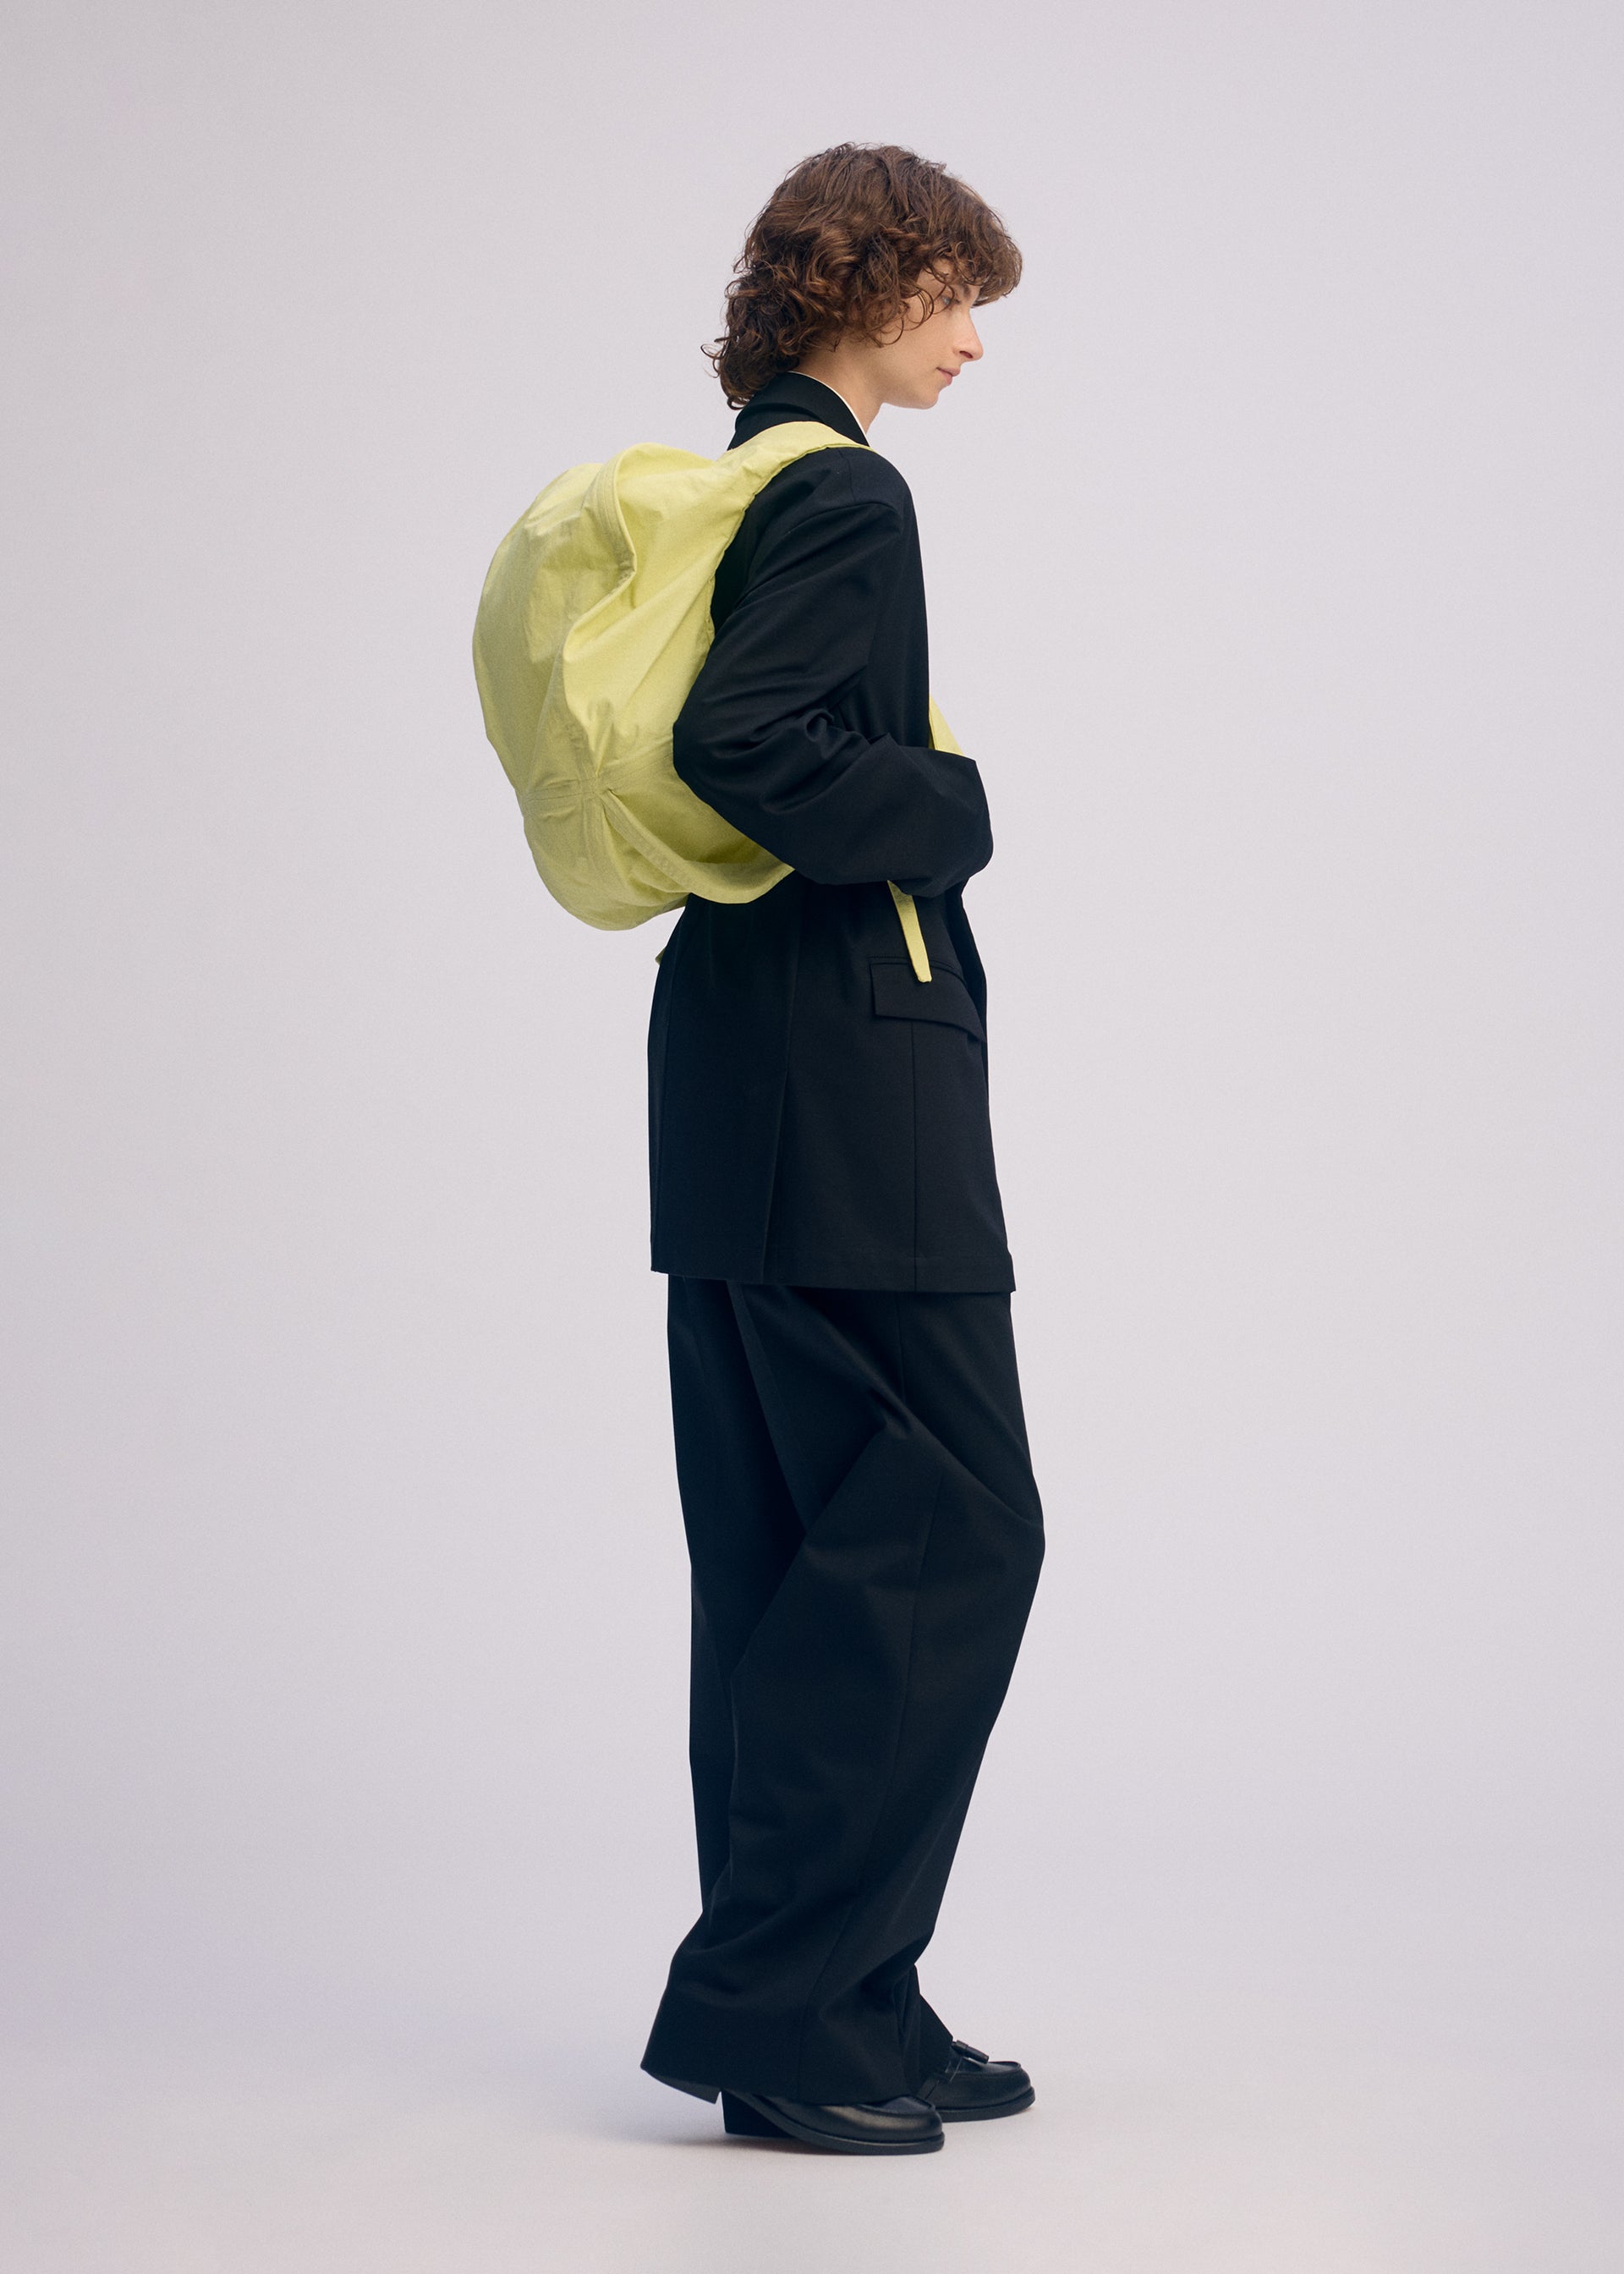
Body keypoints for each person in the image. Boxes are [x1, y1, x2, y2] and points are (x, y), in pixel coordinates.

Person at [640, 144, 1045, 2158]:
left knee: (791, 1555)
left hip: (742, 1079)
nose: (975, 340)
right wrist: (954, 807)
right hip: (847, 1095)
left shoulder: (744, 481)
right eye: (957, 295)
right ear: (870, 284)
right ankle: (787, 2012)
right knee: (955, 1532)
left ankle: (846, 1997)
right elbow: (747, 746)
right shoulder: (845, 492)